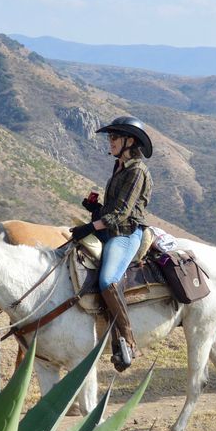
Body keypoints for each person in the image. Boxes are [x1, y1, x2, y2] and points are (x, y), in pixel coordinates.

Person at [68, 116, 153, 372]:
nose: (111, 141)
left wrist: (91, 225)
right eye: (110, 137)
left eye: (115, 137)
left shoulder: (137, 171)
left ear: (130, 141)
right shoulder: (120, 167)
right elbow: (111, 210)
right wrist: (95, 209)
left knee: (107, 280)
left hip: (126, 234)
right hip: (110, 230)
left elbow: (121, 215)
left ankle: (127, 338)